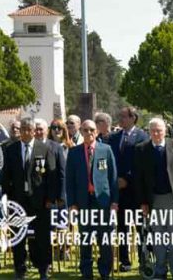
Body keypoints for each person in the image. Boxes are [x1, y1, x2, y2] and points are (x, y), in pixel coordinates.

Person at [134, 117, 173, 280]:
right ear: (149, 132)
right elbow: (138, 179)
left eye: (159, 130)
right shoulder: (141, 149)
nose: (156, 133)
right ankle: (160, 271)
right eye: (153, 130)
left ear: (165, 131)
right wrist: (143, 203)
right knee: (158, 238)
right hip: (153, 201)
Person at [3, 117, 61, 280]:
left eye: (29, 129)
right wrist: (7, 198)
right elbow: (6, 176)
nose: (26, 133)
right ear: (20, 131)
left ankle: (43, 268)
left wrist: (51, 198)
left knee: (42, 236)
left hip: (40, 201)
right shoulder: (11, 149)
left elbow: (51, 175)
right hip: (18, 201)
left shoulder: (44, 148)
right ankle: (20, 269)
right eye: (23, 130)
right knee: (18, 237)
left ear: (34, 131)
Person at [66, 119, 117, 280]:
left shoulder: (106, 150)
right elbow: (70, 181)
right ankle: (86, 272)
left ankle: (104, 271)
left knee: (105, 239)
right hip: (83, 202)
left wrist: (114, 201)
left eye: (92, 130)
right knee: (85, 238)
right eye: (86, 130)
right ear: (81, 132)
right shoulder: (74, 153)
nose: (89, 133)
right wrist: (72, 203)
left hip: (103, 201)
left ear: (97, 131)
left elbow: (113, 178)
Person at [108, 106, 148, 272]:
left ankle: (143, 259)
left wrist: (128, 180)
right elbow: (111, 161)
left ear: (133, 118)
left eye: (124, 116)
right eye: (120, 116)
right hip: (119, 192)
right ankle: (124, 261)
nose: (121, 119)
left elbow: (142, 165)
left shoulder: (143, 137)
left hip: (136, 191)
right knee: (122, 228)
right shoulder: (114, 137)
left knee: (140, 228)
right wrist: (116, 179)